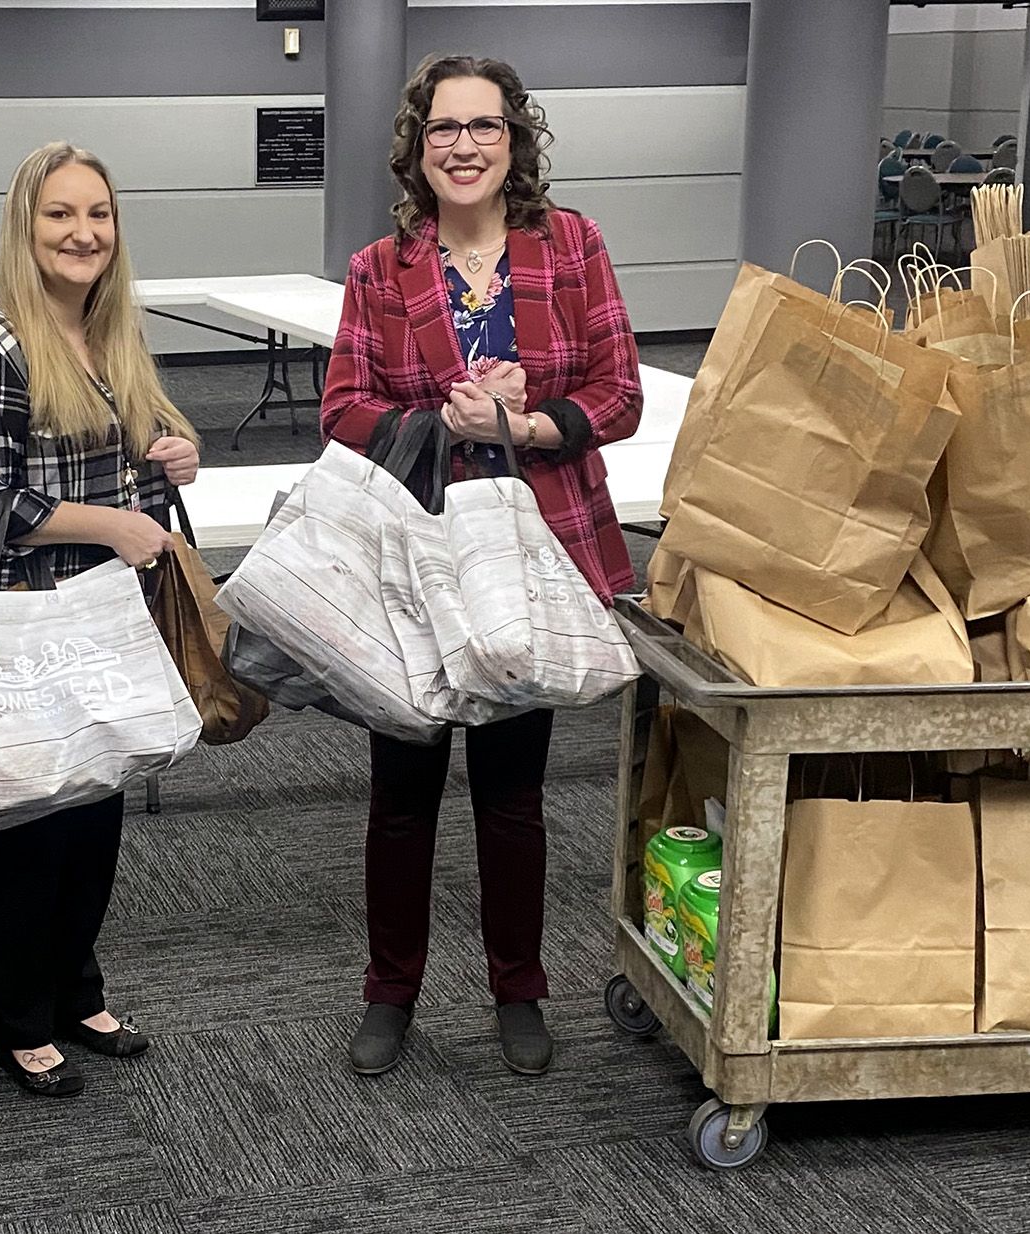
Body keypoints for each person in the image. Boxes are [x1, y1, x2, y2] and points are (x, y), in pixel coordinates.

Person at [320, 55, 643, 1077]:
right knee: (401, 795)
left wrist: (531, 422)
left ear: (516, 142)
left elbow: (620, 390)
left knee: (512, 796)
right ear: (420, 147)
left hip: (530, 559)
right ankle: (391, 993)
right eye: (443, 128)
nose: (463, 145)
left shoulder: (571, 246)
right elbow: (341, 408)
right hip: (413, 559)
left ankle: (519, 988)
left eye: (485, 127)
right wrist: (442, 421)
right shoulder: (381, 268)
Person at [0, 141, 201, 1098]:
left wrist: (168, 463)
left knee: (94, 822)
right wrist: (116, 523)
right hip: (24, 628)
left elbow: (119, 474)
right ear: (26, 227)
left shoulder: (111, 336)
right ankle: (18, 1023)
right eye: (60, 215)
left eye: (98, 214)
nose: (83, 232)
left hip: (105, 626)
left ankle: (73, 988)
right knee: (25, 835)